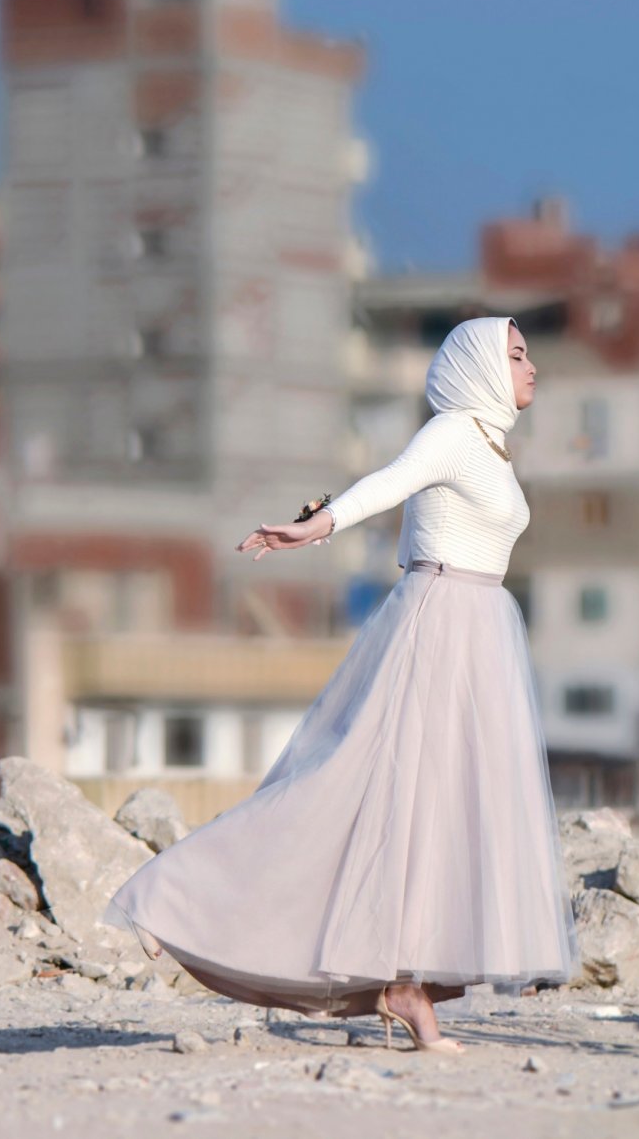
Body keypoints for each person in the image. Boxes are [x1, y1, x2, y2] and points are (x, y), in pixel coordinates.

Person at [105, 317, 577, 1052]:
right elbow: (388, 484)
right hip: (440, 621)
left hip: (480, 628)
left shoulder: (491, 447)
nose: (532, 366)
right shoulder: (453, 431)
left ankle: (410, 988)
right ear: (479, 370)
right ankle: (173, 895)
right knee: (352, 787)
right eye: (517, 354)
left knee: (440, 813)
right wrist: (316, 525)